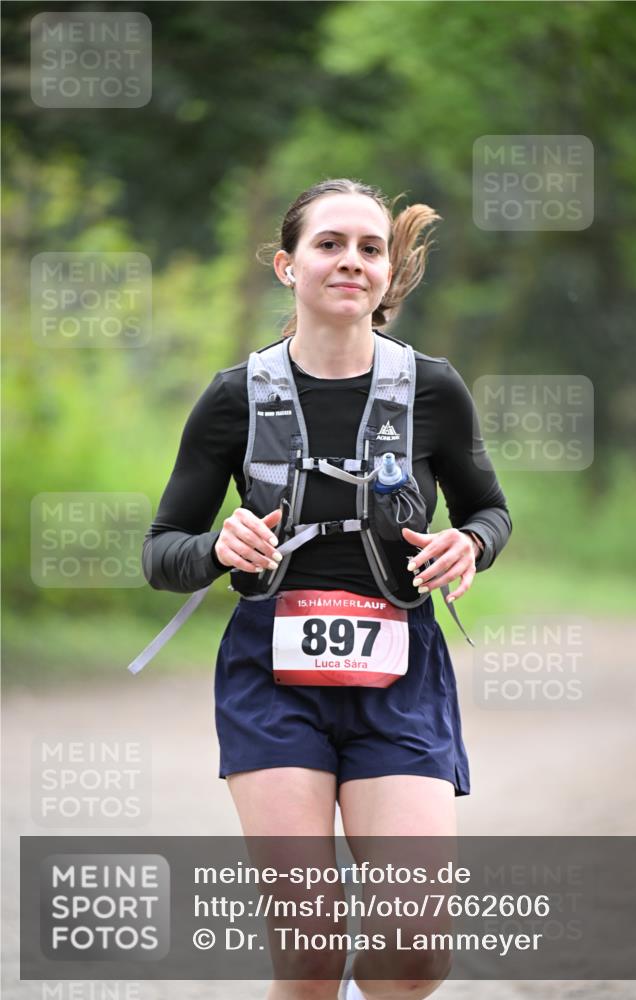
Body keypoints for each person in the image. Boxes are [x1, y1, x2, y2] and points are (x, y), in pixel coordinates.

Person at [142, 178, 512, 1000]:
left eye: (370, 248)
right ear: (287, 264)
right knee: (309, 957)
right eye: (329, 244)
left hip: (399, 675)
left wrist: (468, 544)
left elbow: (488, 511)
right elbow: (163, 551)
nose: (351, 260)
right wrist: (216, 547)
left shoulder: (432, 389)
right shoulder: (235, 396)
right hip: (271, 682)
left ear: (388, 274)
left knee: (413, 954)